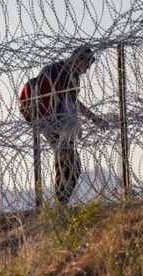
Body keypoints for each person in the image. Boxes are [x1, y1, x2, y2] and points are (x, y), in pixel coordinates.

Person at [36, 46, 109, 204]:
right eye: (87, 66)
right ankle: (61, 204)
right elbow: (39, 102)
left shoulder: (74, 77)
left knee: (71, 166)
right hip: (51, 124)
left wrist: (94, 118)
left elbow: (74, 102)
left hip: (66, 128)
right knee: (68, 164)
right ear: (78, 60)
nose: (87, 71)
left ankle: (62, 204)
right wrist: (51, 137)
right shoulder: (53, 70)